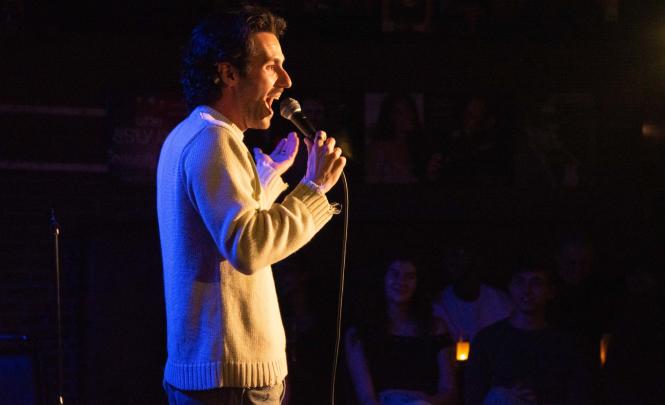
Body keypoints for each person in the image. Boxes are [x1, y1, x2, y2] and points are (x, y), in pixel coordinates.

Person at [156, 6, 346, 404]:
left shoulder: (190, 134)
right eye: (272, 66)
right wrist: (313, 188)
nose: (286, 81)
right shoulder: (214, 141)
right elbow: (248, 246)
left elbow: (222, 224)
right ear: (229, 74)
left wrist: (268, 176)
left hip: (219, 375)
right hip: (231, 380)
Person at [465, 255, 591, 405]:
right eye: (520, 282)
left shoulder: (566, 344)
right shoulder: (487, 340)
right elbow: (473, 397)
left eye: (536, 283)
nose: (527, 290)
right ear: (510, 287)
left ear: (550, 291)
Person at [345, 258, 457, 405]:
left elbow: (448, 390)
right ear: (382, 278)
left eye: (410, 277)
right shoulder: (359, 334)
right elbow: (367, 397)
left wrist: (422, 402)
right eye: (395, 274)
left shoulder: (436, 328)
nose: (401, 282)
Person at [432, 243, 513, 342]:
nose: (454, 261)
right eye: (450, 255)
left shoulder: (501, 302)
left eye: (461, 254)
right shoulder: (438, 306)